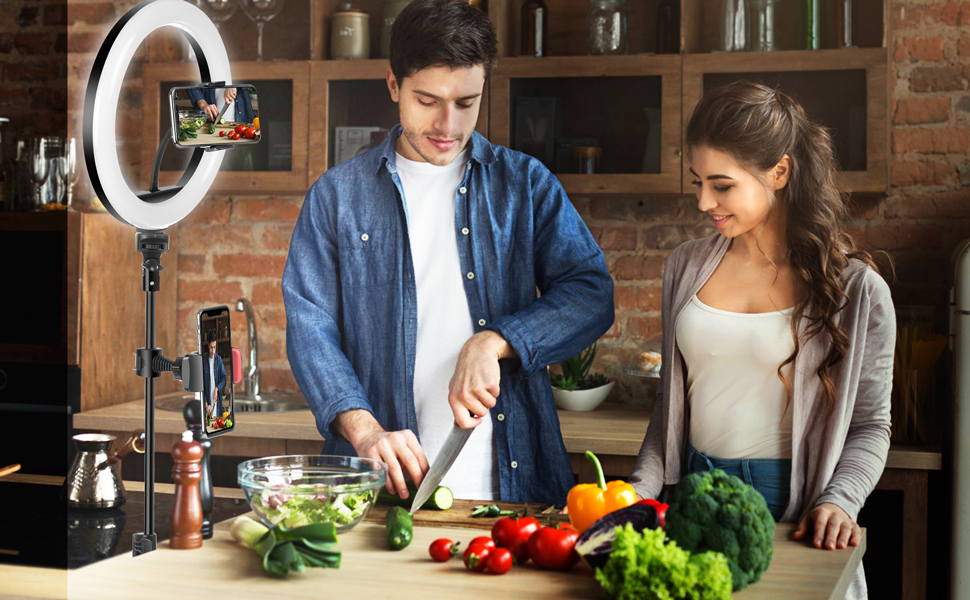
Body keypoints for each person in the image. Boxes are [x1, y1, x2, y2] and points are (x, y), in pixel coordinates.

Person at [282, 0, 613, 507]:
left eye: (465, 102)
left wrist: (495, 341)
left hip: (516, 488)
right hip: (379, 488)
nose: (447, 124)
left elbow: (591, 293)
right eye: (427, 100)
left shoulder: (524, 185)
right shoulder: (337, 197)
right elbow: (311, 331)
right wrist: (366, 432)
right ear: (393, 85)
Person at [627, 80, 894, 600]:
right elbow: (670, 407)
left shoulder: (857, 291)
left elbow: (870, 424)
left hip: (793, 508)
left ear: (780, 172)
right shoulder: (684, 266)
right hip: (692, 499)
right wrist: (639, 489)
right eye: (698, 181)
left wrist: (841, 500)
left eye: (721, 185)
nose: (703, 200)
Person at [185, 86, 255, 125]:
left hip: (243, 119)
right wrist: (202, 104)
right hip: (204, 121)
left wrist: (233, 82)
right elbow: (188, 78)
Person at [203, 338, 227, 422]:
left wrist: (216, 389)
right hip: (207, 406)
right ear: (208, 346)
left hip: (217, 404)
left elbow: (224, 378)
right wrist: (206, 405)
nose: (213, 351)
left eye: (214, 347)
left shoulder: (219, 360)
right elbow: (202, 387)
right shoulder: (204, 363)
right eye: (211, 347)